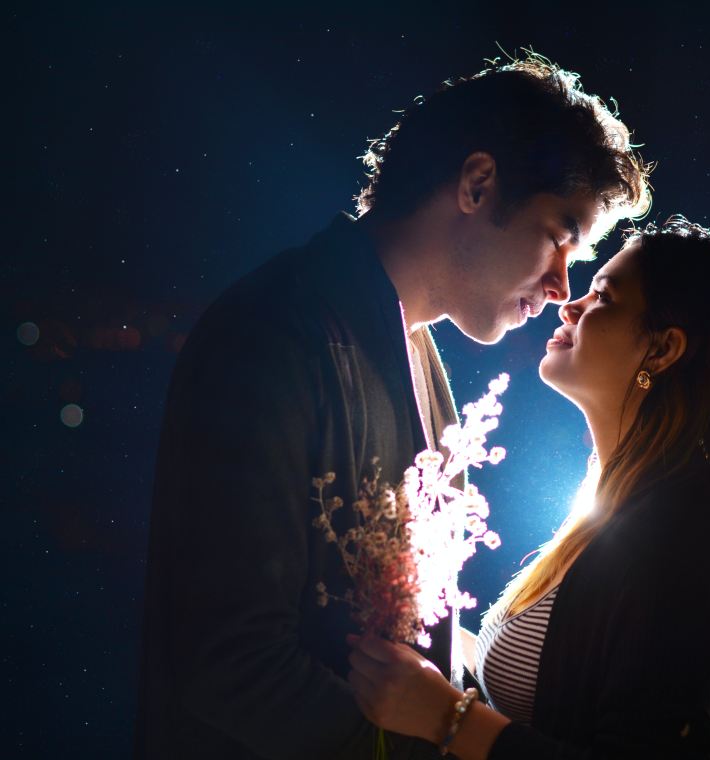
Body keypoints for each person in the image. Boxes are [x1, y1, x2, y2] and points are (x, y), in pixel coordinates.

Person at [134, 53, 650, 759]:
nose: (562, 284)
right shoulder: (273, 333)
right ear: (477, 184)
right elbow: (226, 658)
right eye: (560, 237)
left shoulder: (416, 355)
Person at [346, 216, 710, 758]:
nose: (569, 304)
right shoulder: (616, 508)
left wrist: (448, 718)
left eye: (604, 297)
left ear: (661, 351)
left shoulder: (682, 537)